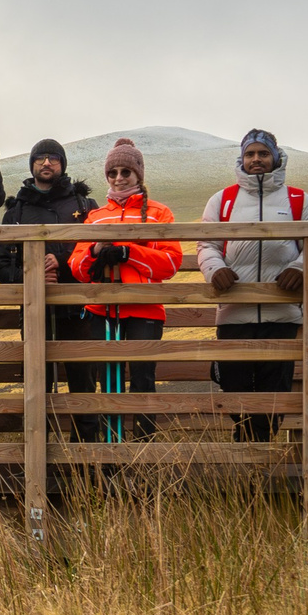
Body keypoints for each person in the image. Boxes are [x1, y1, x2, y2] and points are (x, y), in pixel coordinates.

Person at [199, 129, 308, 443]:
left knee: (274, 393)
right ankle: (247, 451)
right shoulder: (223, 200)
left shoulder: (298, 200)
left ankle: (260, 456)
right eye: (250, 154)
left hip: (281, 315)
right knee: (234, 386)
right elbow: (206, 244)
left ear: (275, 157)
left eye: (263, 153)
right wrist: (216, 270)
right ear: (242, 158)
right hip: (233, 314)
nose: (256, 159)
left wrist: (299, 268)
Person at [66, 139, 183, 443]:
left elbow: (170, 262)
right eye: (112, 173)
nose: (119, 178)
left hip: (145, 309)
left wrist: (128, 252)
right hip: (101, 309)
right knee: (108, 382)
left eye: (126, 172)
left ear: (138, 175)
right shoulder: (95, 216)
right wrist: (94, 251)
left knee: (143, 380)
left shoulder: (159, 213)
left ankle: (142, 455)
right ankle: (110, 457)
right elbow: (77, 267)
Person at [0, 138, 102, 438]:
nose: (46, 163)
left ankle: (86, 460)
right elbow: (2, 267)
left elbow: (96, 255)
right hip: (33, 313)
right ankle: (39, 461)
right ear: (31, 165)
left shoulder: (85, 206)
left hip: (80, 310)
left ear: (62, 164)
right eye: (40, 158)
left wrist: (61, 264)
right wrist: (32, 275)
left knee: (83, 383)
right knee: (36, 385)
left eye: (53, 158)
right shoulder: (15, 211)